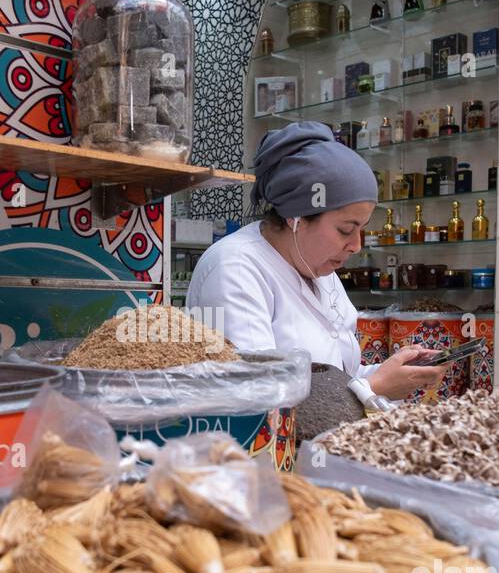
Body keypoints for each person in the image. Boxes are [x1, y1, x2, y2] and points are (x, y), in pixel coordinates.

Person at [187, 121, 447, 407]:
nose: (356, 245)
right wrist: (374, 387)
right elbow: (255, 395)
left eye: (361, 229)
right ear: (296, 216)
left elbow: (340, 375)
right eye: (346, 230)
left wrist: (392, 375)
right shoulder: (234, 269)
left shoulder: (320, 270)